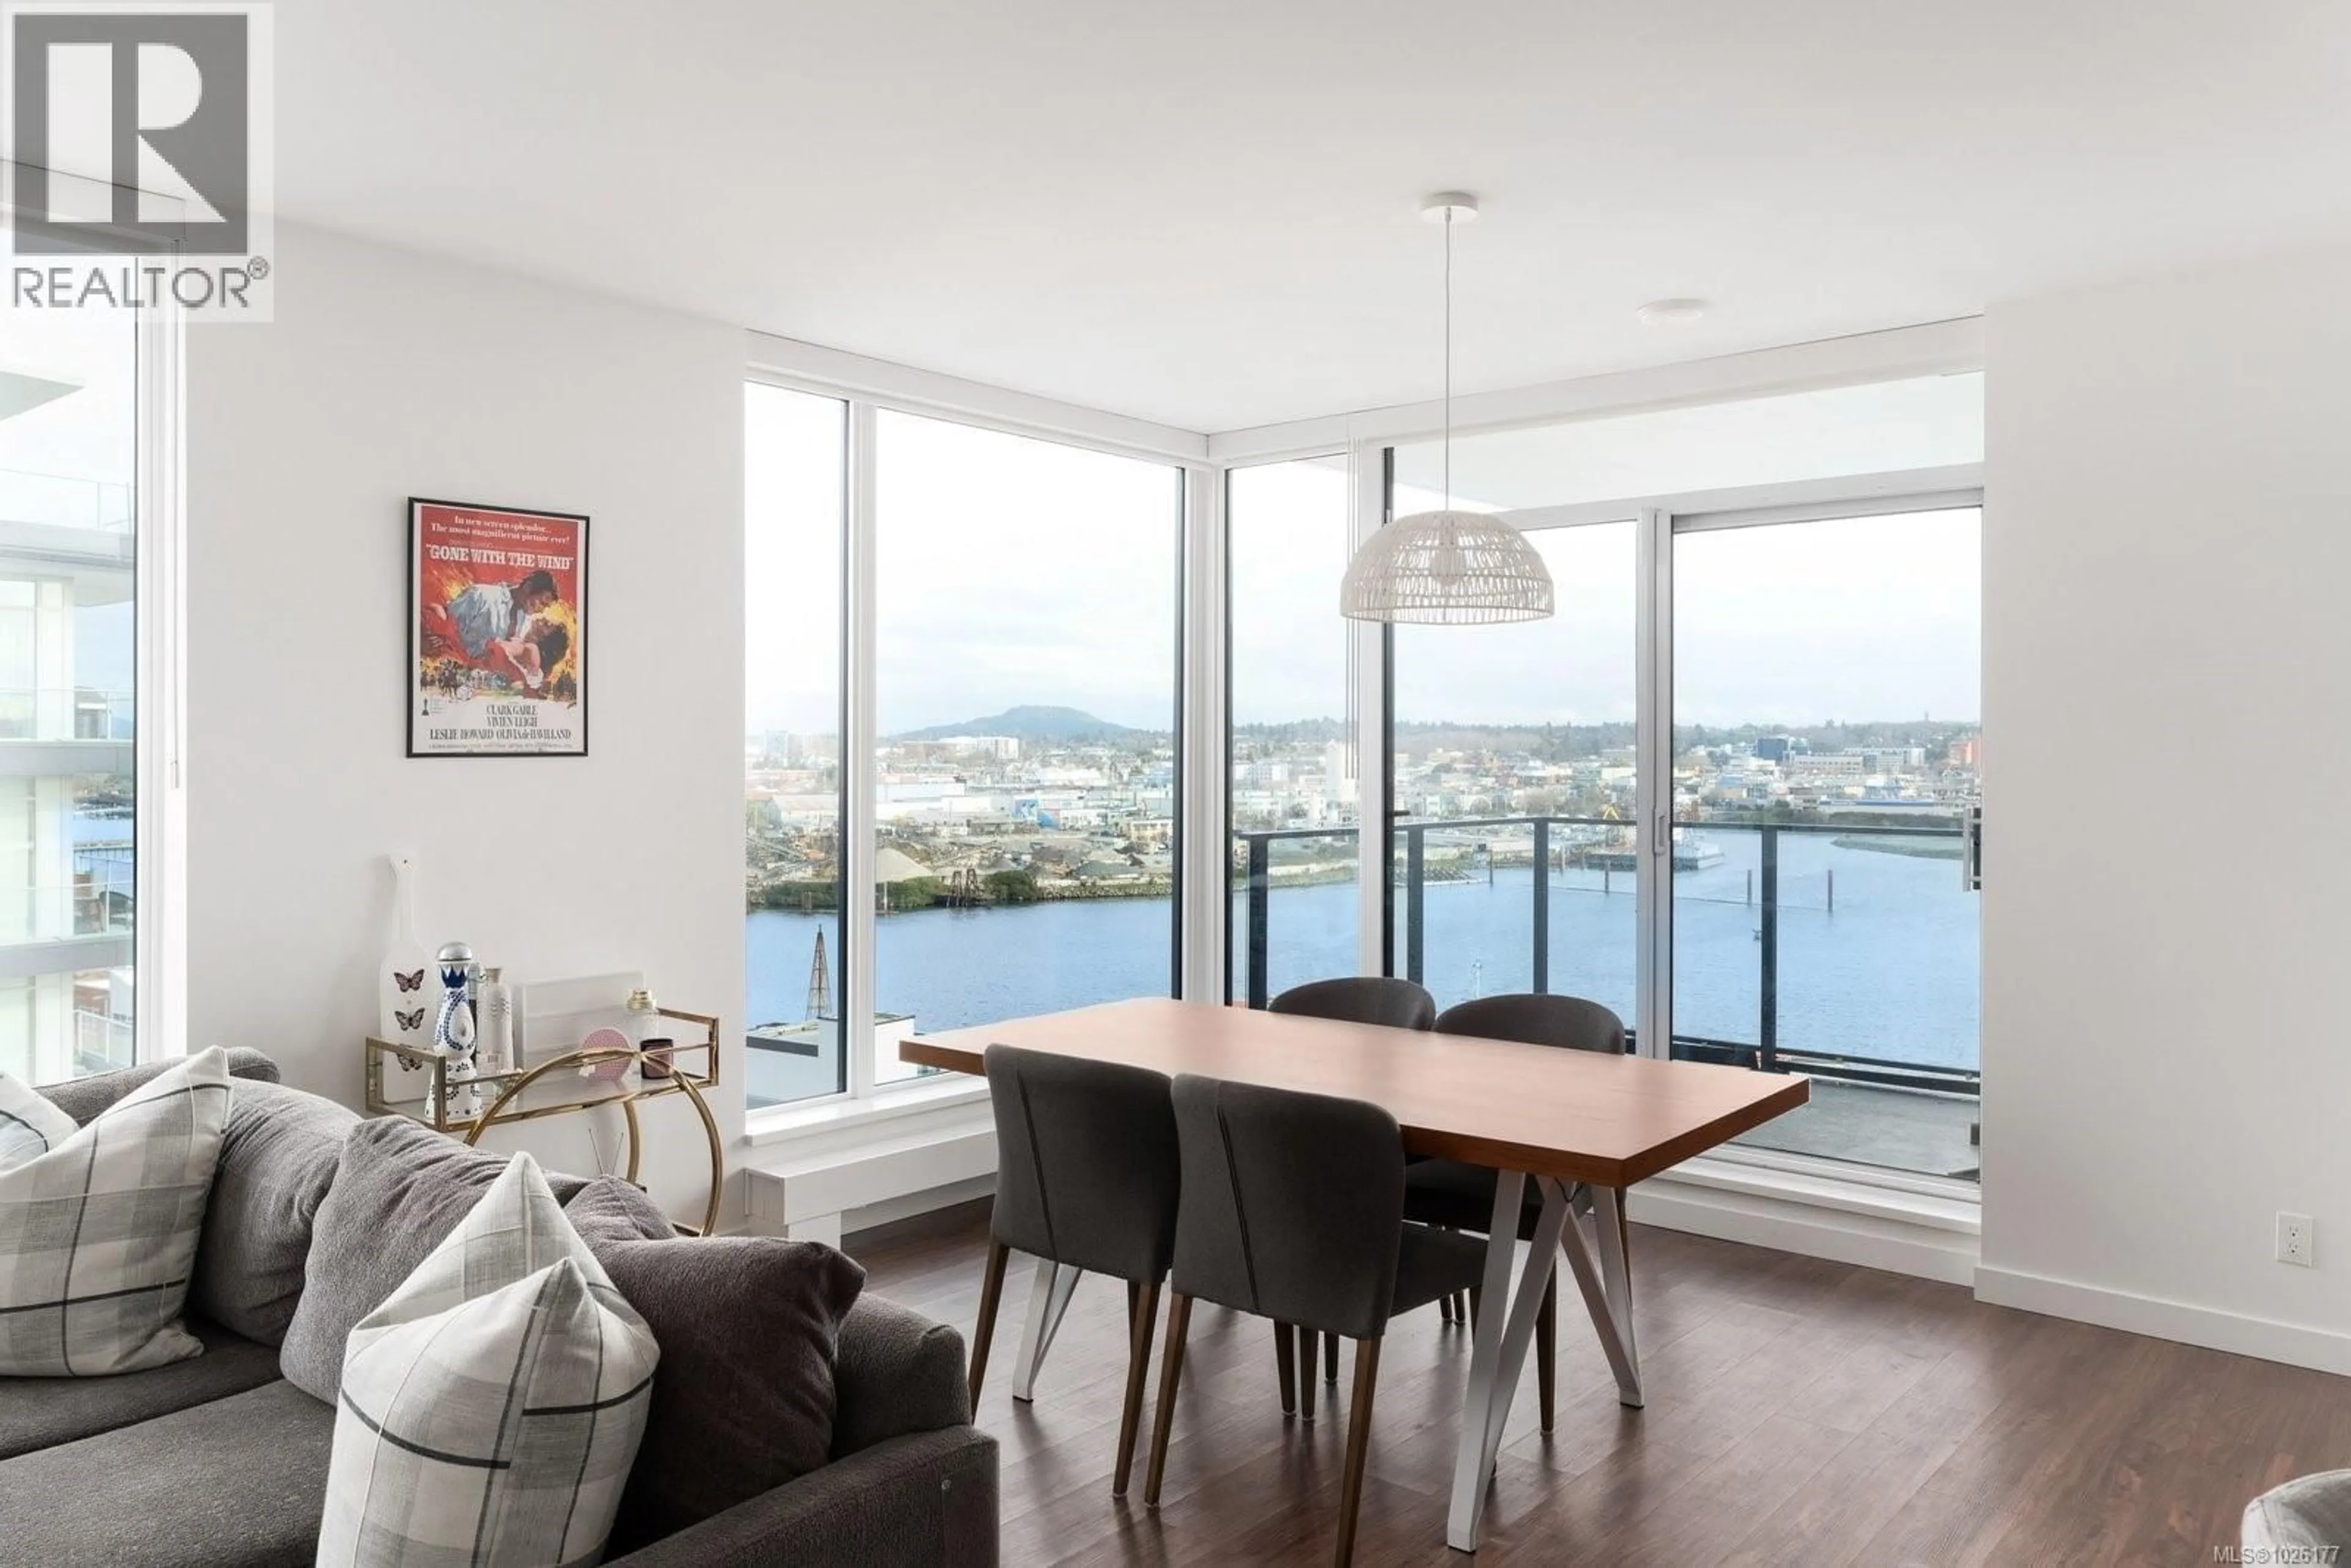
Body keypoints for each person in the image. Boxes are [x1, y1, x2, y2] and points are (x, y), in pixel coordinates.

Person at [421, 570, 560, 683]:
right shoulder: (481, 595)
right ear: (528, 587)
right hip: (460, 664)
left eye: (545, 607)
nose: (541, 610)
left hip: (490, 677)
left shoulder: (526, 618)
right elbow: (447, 622)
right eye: (541, 603)